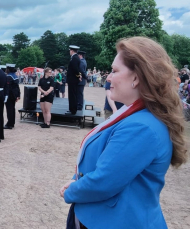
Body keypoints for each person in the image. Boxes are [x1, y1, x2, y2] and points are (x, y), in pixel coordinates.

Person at [60, 37, 188, 229]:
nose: (109, 77)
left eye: (114, 70)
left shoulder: (141, 126)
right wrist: (76, 180)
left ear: (136, 78)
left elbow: (105, 181)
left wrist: (72, 191)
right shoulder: (135, 116)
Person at [66, 45, 85, 115]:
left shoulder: (74, 58)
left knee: (72, 95)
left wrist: (78, 76)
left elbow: (75, 69)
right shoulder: (75, 58)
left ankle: (73, 110)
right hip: (73, 79)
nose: (69, 52)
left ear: (72, 51)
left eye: (70, 50)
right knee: (72, 95)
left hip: (72, 79)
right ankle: (72, 109)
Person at [4, 63, 20, 129]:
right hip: (14, 95)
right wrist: (18, 95)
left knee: (9, 109)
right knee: (12, 109)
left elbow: (8, 88)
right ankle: (12, 122)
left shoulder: (9, 77)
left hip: (10, 95)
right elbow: (17, 87)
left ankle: (10, 123)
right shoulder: (15, 76)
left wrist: (5, 96)